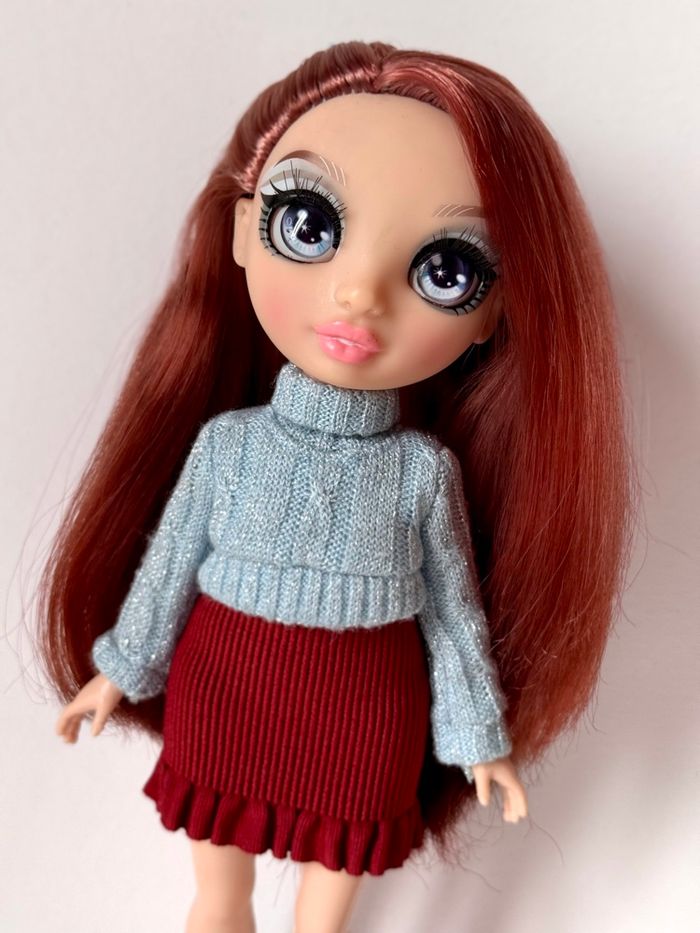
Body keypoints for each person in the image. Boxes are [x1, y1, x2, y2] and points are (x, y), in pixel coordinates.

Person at [38, 41, 631, 933]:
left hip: (363, 704)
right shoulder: (228, 444)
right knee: (219, 895)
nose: (359, 294)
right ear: (245, 230)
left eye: (445, 270)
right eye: (309, 225)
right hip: (226, 680)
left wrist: (477, 738)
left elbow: (453, 614)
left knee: (326, 911)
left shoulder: (421, 472)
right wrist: (119, 670)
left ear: (491, 314)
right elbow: (171, 563)